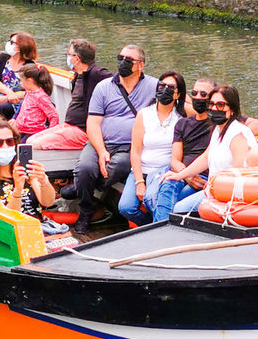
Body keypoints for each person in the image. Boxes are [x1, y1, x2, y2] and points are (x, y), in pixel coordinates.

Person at [69, 43, 157, 235]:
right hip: (101, 142)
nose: (122, 63)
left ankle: (82, 187)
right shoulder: (104, 87)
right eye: (120, 58)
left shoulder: (153, 85)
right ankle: (85, 210)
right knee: (85, 168)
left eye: (128, 60)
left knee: (118, 166)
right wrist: (101, 151)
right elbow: (92, 122)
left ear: (140, 65)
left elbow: (180, 98)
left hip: (130, 146)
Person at [164, 84, 255, 217]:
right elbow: (206, 158)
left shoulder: (238, 135)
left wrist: (216, 192)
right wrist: (179, 175)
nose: (214, 108)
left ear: (232, 109)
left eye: (220, 105)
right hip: (213, 190)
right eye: (211, 104)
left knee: (180, 208)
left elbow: (239, 173)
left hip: (226, 195)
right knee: (173, 196)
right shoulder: (218, 129)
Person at [119, 71, 185, 226]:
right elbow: (135, 151)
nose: (165, 90)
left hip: (163, 171)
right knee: (126, 208)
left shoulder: (181, 118)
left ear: (177, 94)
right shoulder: (144, 114)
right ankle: (151, 226)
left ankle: (157, 228)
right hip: (142, 170)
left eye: (171, 87)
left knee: (152, 199)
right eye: (162, 86)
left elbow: (201, 112)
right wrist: (139, 181)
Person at [150, 76, 216, 223]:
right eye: (195, 93)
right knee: (167, 186)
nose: (198, 97)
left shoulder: (218, 122)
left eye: (203, 94)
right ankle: (161, 230)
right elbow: (174, 159)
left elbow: (257, 126)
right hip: (182, 173)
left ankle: (161, 230)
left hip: (203, 177)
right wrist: (186, 175)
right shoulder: (183, 124)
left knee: (172, 202)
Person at [0, 120, 58, 226]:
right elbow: (6, 219)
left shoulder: (25, 170)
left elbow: (47, 202)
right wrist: (18, 190)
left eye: (10, 141)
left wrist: (44, 181)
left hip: (39, 230)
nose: (5, 146)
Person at [27, 39, 106, 151]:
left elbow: (116, 81)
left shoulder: (95, 73)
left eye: (68, 55)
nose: (67, 58)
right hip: (69, 125)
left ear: (77, 58)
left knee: (34, 146)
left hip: (82, 130)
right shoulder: (78, 75)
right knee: (30, 141)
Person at [0, 31, 38, 116]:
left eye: (12, 42)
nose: (8, 44)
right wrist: (9, 92)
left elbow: (30, 91)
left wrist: (7, 98)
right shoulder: (2, 58)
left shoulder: (29, 66)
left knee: (4, 108)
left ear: (21, 46)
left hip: (18, 102)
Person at [12, 64, 61, 137]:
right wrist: (14, 119)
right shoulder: (28, 93)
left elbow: (54, 115)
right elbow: (23, 108)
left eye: (21, 80)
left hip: (33, 132)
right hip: (22, 130)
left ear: (29, 81)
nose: (20, 83)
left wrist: (50, 133)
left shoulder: (40, 96)